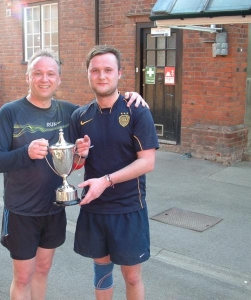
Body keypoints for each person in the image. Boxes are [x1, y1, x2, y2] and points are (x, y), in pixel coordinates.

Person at [0, 49, 148, 300]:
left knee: (42, 270)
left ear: (59, 79)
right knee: (22, 277)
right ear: (27, 77)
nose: (44, 79)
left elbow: (99, 113)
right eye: (37, 73)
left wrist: (130, 96)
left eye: (51, 74)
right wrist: (25, 152)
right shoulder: (10, 112)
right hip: (21, 210)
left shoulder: (70, 114)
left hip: (54, 208)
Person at [70, 45, 159, 300]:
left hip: (128, 208)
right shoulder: (80, 116)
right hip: (95, 208)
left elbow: (147, 163)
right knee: (102, 273)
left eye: (108, 70)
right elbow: (75, 165)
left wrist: (106, 181)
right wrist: (80, 155)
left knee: (132, 276)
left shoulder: (137, 110)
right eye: (95, 70)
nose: (102, 76)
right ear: (88, 74)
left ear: (119, 73)